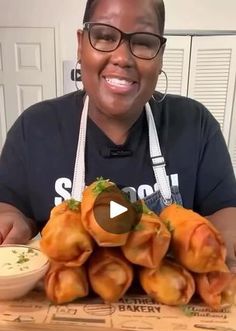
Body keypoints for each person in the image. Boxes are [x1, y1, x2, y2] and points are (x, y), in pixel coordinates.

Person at [0, 0, 236, 270]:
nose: (123, 58)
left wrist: (225, 240)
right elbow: (10, 206)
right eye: (104, 36)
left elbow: (225, 209)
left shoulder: (196, 125)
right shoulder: (34, 128)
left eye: (143, 42)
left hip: (174, 306)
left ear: (160, 55)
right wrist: (10, 220)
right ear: (81, 44)